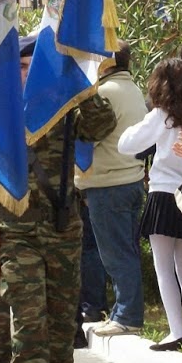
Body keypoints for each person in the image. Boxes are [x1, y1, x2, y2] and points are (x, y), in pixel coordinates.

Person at [0, 33, 116, 363]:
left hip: (63, 229)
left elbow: (104, 124)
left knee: (61, 322)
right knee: (28, 320)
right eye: (21, 67)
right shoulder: (0, 114)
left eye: (33, 67)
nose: (26, 75)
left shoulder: (63, 110)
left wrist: (77, 88)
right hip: (15, 233)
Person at [115, 58, 182, 344]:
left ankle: (176, 332)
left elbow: (126, 144)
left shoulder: (161, 115)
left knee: (163, 267)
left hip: (162, 195)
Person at [75, 44, 152, 336]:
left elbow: (86, 140)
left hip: (108, 184)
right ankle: (125, 311)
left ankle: (128, 315)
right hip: (127, 180)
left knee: (117, 255)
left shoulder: (105, 93)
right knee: (123, 252)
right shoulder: (130, 88)